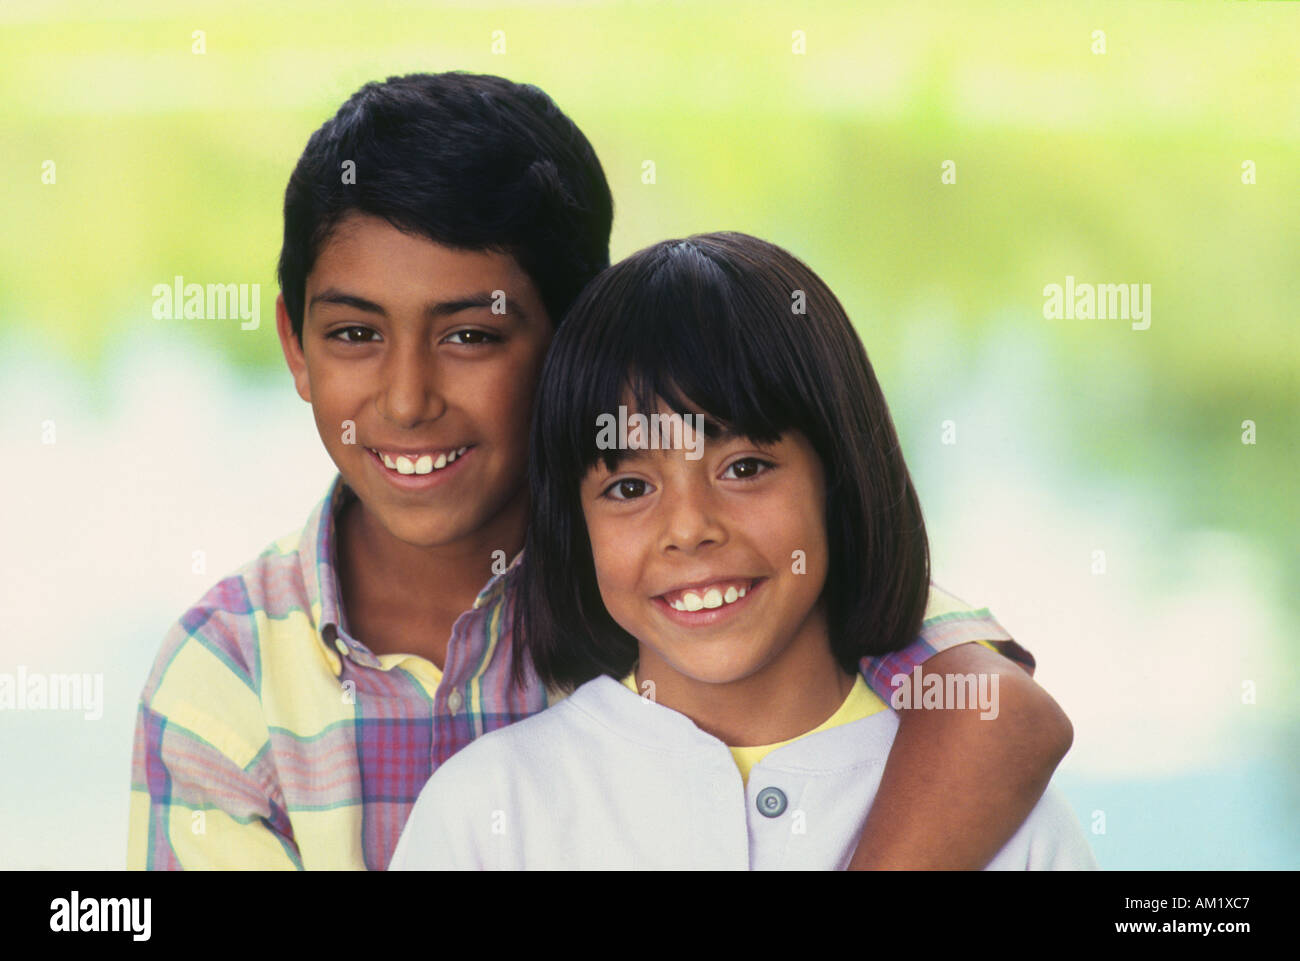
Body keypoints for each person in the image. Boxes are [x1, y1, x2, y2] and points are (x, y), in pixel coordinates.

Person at [129, 73, 1072, 871]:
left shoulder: (713, 582)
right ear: (295, 344)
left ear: (578, 334)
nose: (407, 398)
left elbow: (997, 708)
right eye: (354, 333)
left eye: (471, 334)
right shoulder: (227, 679)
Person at [390, 232, 1095, 870]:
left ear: (839, 477)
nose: (690, 526)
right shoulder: (487, 814)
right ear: (573, 526)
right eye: (630, 485)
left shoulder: (1001, 818)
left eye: (746, 468)